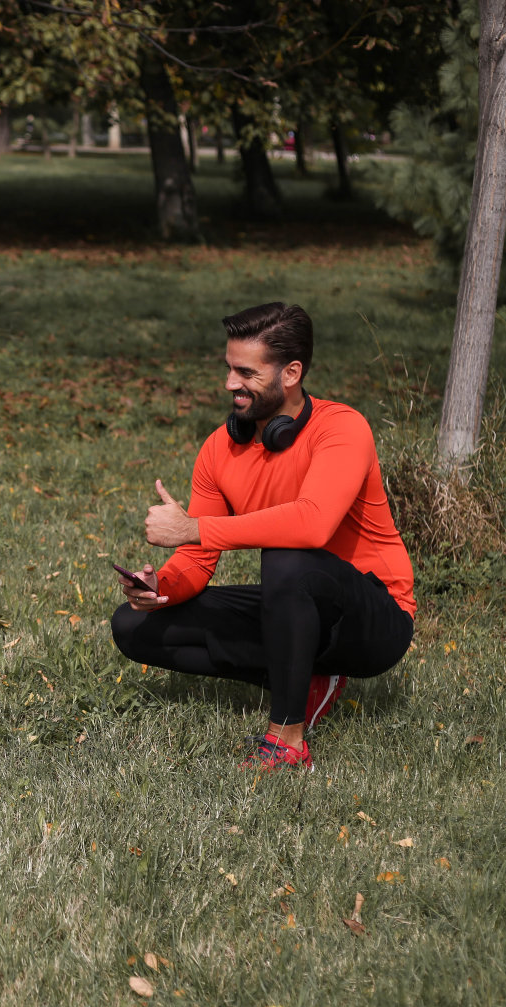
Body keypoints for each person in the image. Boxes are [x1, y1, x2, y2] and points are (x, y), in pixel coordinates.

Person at [108, 302, 416, 771]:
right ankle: (305, 678)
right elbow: (197, 559)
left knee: (287, 556)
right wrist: (160, 589)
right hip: (294, 603)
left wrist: (192, 526)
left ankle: (288, 739)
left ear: (291, 373)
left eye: (245, 372)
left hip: (374, 618)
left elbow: (312, 524)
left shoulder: (342, 428)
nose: (230, 383)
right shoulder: (219, 448)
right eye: (229, 369)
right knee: (132, 627)